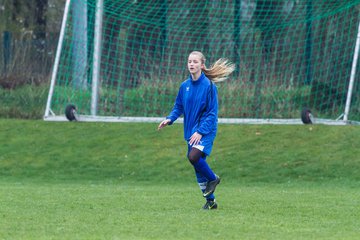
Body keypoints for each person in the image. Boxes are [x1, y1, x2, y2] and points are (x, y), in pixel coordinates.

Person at [158, 51, 235, 210]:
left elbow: (212, 114)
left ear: (201, 65)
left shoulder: (209, 86)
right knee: (198, 168)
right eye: (189, 61)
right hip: (191, 131)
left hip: (205, 130)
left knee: (193, 157)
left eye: (194, 62)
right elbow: (178, 106)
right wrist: (170, 119)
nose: (191, 64)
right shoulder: (184, 86)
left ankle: (213, 178)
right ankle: (211, 202)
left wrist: (200, 131)